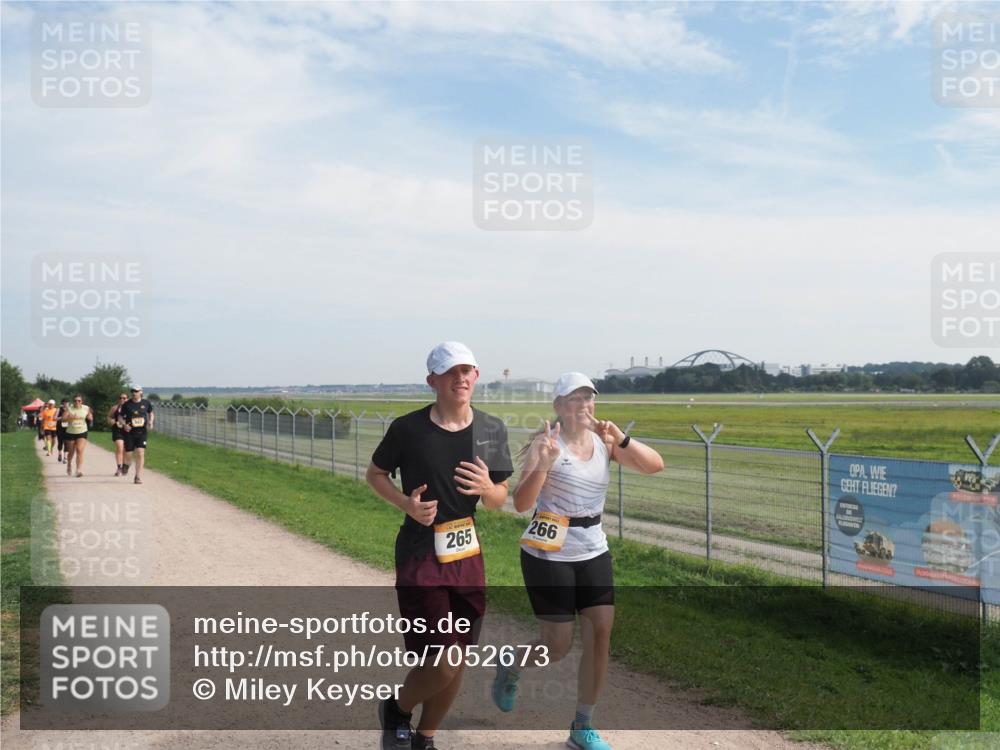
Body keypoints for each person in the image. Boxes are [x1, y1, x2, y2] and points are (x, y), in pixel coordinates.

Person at [491, 372, 664, 750]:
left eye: (589, 398)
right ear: (559, 406)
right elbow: (521, 503)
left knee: (600, 633)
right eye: (574, 399)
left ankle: (582, 725)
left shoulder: (605, 441)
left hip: (593, 549)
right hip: (548, 554)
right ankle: (513, 661)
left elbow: (654, 466)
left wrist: (622, 438)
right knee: (557, 646)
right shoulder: (547, 444)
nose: (584, 405)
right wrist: (544, 463)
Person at [366, 342, 513, 750]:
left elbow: (500, 497)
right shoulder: (408, 429)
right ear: (432, 380)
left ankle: (425, 738)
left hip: (467, 553)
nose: (460, 378)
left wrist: (488, 488)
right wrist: (406, 505)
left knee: (458, 658)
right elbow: (375, 474)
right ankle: (397, 709)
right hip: (420, 552)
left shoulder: (491, 430)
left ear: (476, 376)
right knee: (444, 659)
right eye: (450, 372)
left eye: (467, 371)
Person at [120, 385, 154, 485]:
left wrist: (151, 421)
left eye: (136, 391)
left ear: (141, 392)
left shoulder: (146, 403)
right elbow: (120, 417)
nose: (134, 393)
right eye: (133, 391)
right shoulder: (127, 404)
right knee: (129, 455)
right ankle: (126, 465)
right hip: (130, 432)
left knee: (140, 452)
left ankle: (137, 476)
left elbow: (151, 413)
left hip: (142, 432)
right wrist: (124, 425)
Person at [63, 394, 94, 477]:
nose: (77, 402)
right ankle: (69, 464)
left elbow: (90, 416)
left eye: (79, 401)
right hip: (71, 432)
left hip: (82, 431)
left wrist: (90, 417)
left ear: (82, 401)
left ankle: (78, 470)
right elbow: (63, 419)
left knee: (80, 450)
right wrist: (70, 418)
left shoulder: (86, 408)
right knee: (71, 452)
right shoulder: (69, 408)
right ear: (73, 401)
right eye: (75, 401)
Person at [107, 393, 129, 476]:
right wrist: (111, 421)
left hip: (128, 431)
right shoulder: (115, 408)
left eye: (124, 398)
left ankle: (124, 465)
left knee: (126, 450)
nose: (122, 399)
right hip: (117, 430)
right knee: (120, 447)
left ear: (127, 399)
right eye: (120, 398)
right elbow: (109, 417)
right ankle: (119, 467)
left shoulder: (131, 408)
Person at [55, 398, 70, 463]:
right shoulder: (59, 409)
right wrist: (62, 417)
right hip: (60, 428)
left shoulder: (70, 410)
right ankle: (60, 454)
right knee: (60, 442)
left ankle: (65, 457)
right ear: (62, 403)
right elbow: (55, 418)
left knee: (67, 443)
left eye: (67, 403)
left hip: (68, 428)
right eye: (65, 403)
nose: (66, 404)